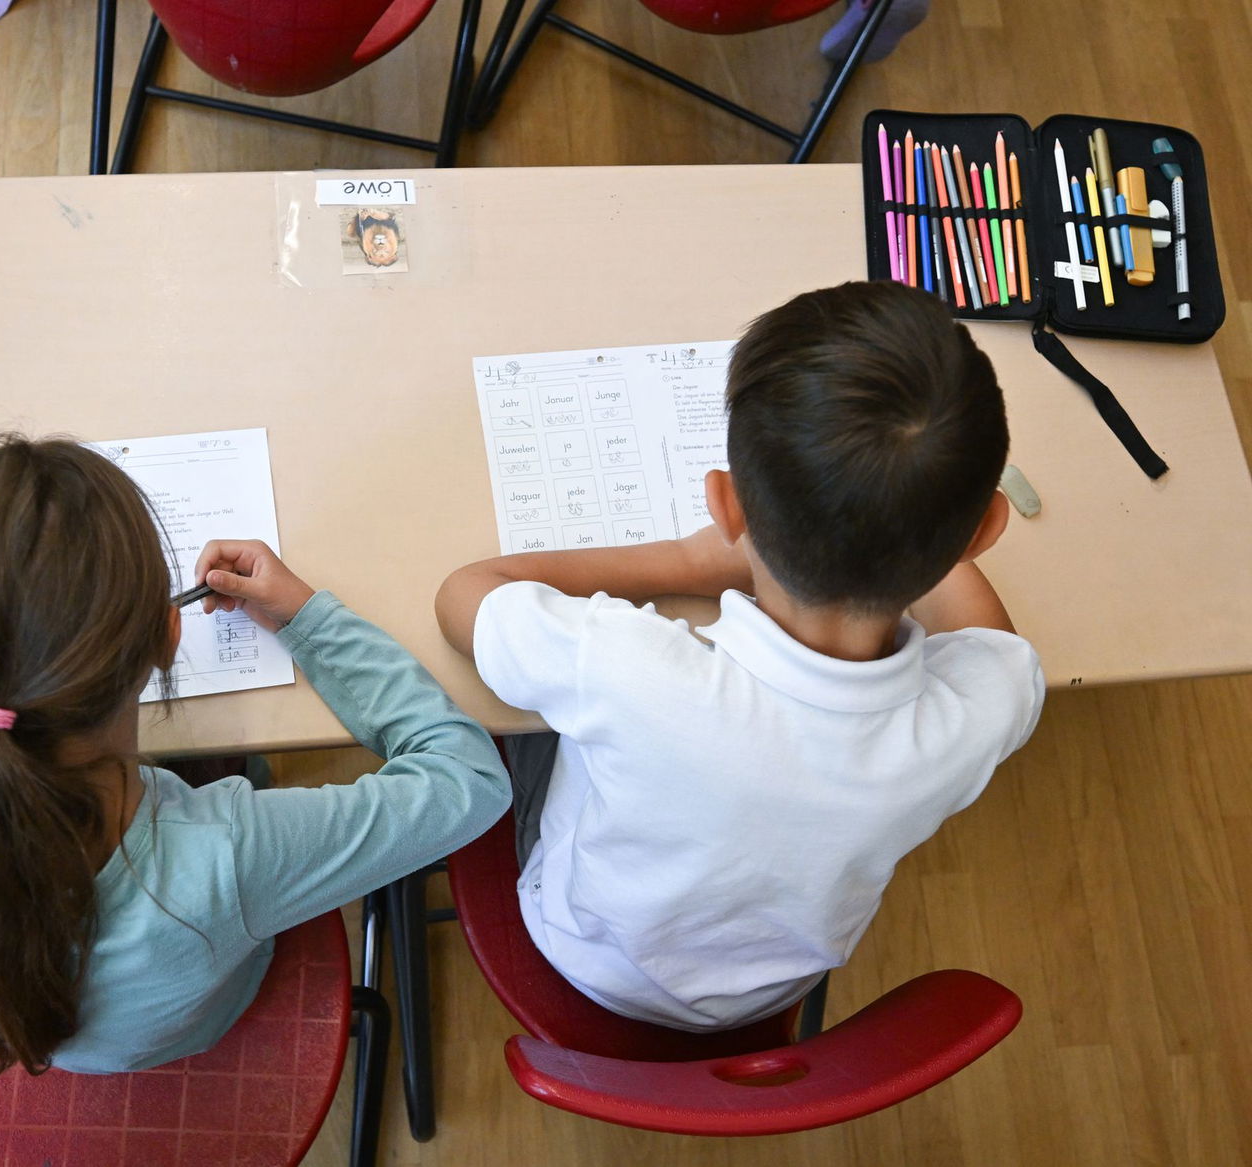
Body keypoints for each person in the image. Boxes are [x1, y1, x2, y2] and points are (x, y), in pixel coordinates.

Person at [0, 434, 508, 1074]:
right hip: (190, 1023)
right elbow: (469, 778)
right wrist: (307, 618)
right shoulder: (226, 855)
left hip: (34, 1036)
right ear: (170, 635)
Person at [436, 281, 1045, 1032]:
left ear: (726, 505)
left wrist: (684, 563)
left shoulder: (627, 667)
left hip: (587, 950)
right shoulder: (984, 707)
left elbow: (464, 596)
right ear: (985, 531)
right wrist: (913, 510)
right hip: (772, 988)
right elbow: (995, 647)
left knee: (504, 716)